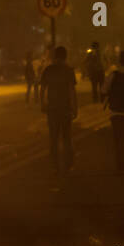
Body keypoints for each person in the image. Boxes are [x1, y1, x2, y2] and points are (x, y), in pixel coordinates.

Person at [39, 45, 78, 175]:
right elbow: (71, 90)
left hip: (52, 109)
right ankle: (69, 164)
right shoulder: (68, 70)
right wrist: (74, 107)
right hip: (65, 108)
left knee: (53, 138)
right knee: (67, 137)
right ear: (65, 56)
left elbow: (42, 88)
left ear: (55, 56)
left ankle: (54, 165)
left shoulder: (48, 70)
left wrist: (42, 103)